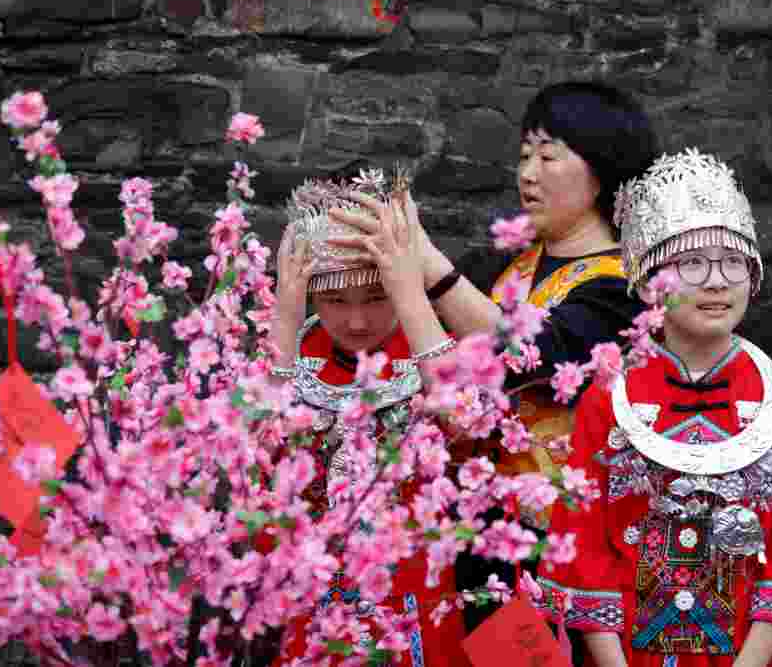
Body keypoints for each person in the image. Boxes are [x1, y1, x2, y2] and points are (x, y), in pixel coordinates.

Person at [330, 81, 660, 635]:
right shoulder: (500, 270)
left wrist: (425, 265)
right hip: (481, 534)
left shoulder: (627, 288)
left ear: (602, 167)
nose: (528, 173)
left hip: (568, 547)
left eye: (549, 155)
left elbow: (539, 356)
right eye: (524, 155)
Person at [534, 149, 772, 667]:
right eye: (692, 263)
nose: (717, 281)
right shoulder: (606, 402)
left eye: (733, 262)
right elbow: (583, 550)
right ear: (650, 279)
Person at [267, 171, 468, 667]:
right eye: (335, 300)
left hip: (412, 600)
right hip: (310, 600)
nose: (356, 322)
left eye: (376, 297)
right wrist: (286, 322)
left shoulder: (428, 352)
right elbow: (255, 451)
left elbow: (465, 419)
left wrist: (411, 294)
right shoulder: (291, 355)